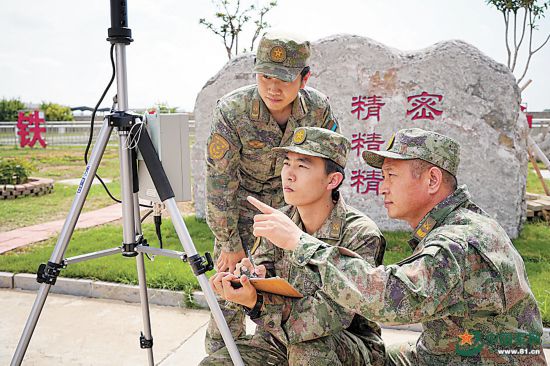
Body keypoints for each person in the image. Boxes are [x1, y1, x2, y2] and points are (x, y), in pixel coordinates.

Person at [247, 128, 547, 365]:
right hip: (455, 353)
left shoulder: (457, 243)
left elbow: (390, 301)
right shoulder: (461, 222)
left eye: (392, 175)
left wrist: (300, 243)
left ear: (432, 180)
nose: (382, 186)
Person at [201, 127, 386, 365]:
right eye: (287, 163)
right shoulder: (279, 220)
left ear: (333, 179)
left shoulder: (360, 234)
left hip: (345, 343)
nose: (288, 174)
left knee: (307, 351)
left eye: (302, 166)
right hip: (278, 338)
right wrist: (248, 280)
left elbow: (331, 316)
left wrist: (257, 303)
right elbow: (264, 274)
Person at [205, 31, 340, 353]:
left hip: (293, 217)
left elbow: (329, 169)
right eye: (265, 76)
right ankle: (222, 358)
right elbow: (220, 181)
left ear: (304, 79)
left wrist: (317, 226)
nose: (273, 87)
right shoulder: (232, 110)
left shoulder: (318, 110)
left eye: (284, 78)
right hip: (239, 216)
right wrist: (230, 244)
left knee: (292, 292)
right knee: (229, 294)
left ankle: (279, 353)